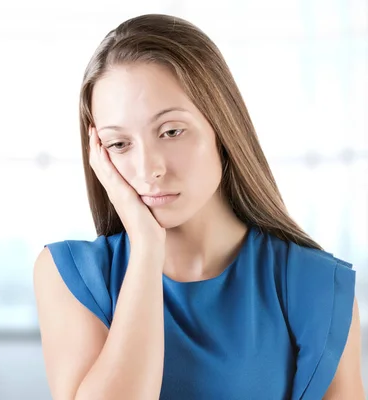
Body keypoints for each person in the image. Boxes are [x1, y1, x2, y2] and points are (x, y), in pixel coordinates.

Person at [33, 13, 365, 400]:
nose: (148, 168)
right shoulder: (72, 276)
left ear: (222, 128)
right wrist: (146, 249)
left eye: (171, 131)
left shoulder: (313, 285)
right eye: (120, 144)